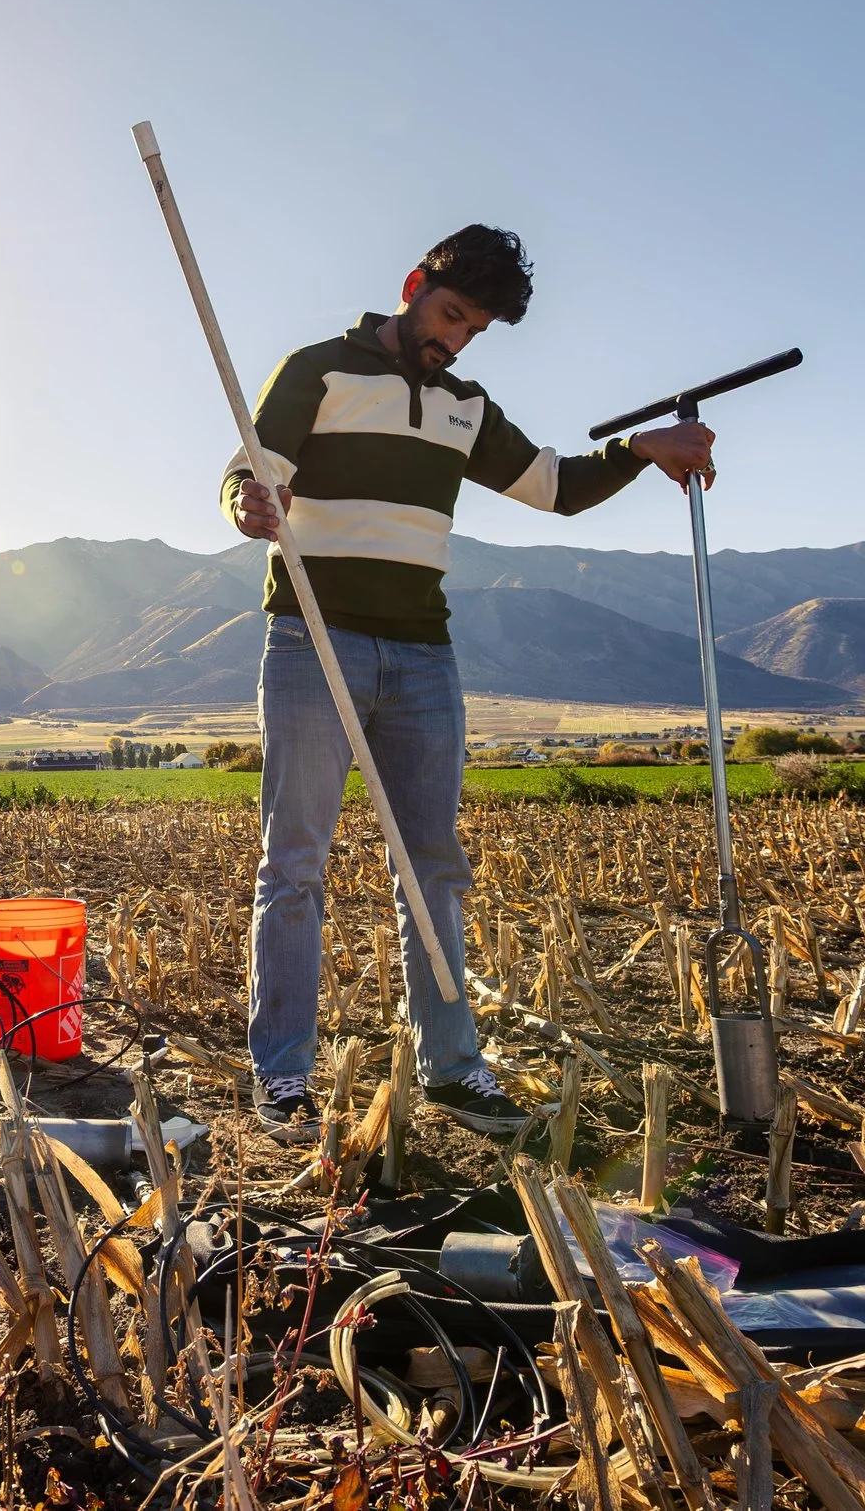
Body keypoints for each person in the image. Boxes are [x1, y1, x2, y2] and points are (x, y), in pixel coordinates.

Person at [221, 224, 716, 1137]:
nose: (455, 339)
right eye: (450, 315)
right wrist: (251, 501)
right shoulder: (317, 371)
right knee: (294, 865)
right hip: (311, 640)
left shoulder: (465, 404)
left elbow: (554, 486)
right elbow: (253, 479)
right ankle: (282, 1076)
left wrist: (644, 450)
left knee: (433, 869)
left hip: (422, 654)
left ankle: (453, 1068)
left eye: (474, 330)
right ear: (414, 286)